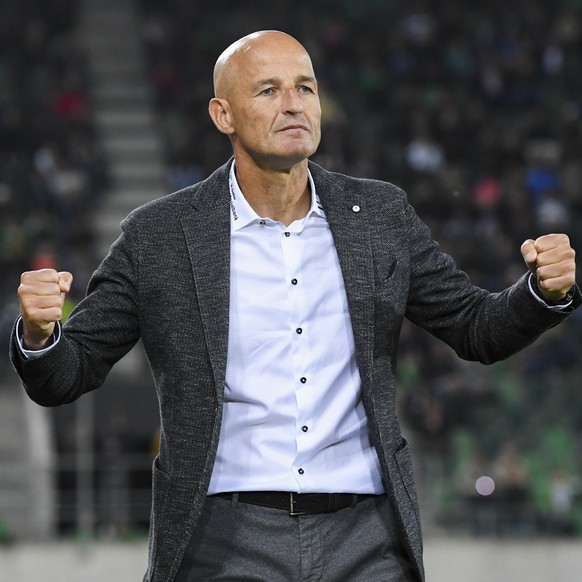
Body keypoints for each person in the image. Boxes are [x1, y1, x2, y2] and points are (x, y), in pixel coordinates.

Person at [11, 30, 579, 582]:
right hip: (223, 540)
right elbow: (69, 372)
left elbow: (476, 329)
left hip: (369, 537)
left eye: (305, 88)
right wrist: (41, 334)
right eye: (268, 90)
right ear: (222, 115)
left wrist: (539, 293)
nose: (294, 105)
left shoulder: (380, 216)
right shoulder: (159, 235)